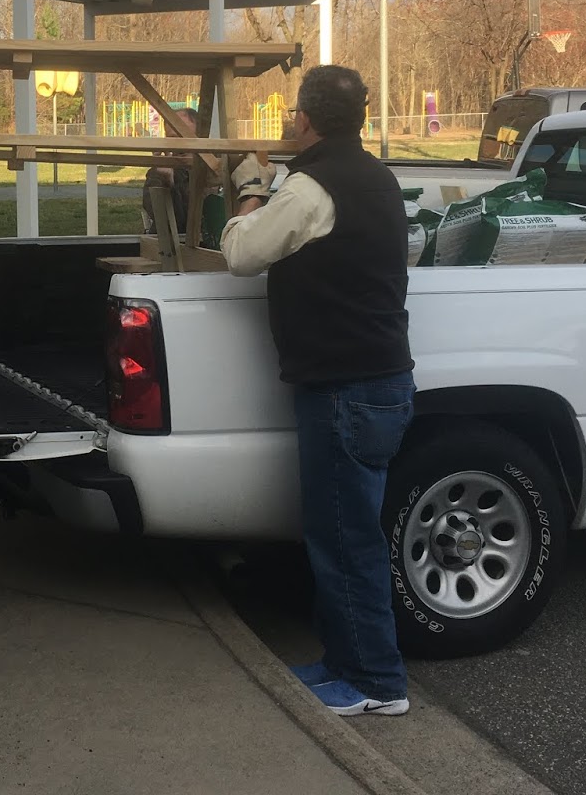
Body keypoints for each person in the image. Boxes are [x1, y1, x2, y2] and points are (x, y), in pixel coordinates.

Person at [219, 65, 414, 717]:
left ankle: (373, 683)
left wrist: (249, 189)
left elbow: (242, 251)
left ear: (304, 118)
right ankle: (346, 664)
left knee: (343, 539)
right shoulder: (376, 176)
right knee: (350, 533)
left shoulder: (307, 188)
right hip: (384, 381)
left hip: (343, 389)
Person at [140, 106, 198, 240]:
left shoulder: (216, 169)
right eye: (173, 138)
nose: (180, 145)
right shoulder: (158, 173)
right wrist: (168, 183)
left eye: (185, 136)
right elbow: (168, 223)